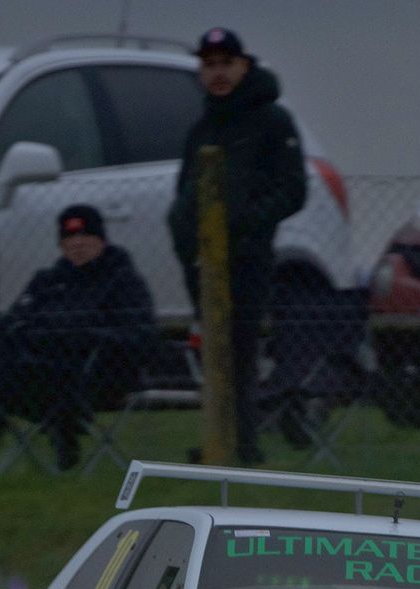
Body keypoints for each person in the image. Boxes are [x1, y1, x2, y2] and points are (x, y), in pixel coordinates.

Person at [167, 27, 308, 466]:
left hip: (247, 258)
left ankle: (243, 445)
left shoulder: (273, 121)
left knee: (240, 351)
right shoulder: (201, 128)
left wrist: (240, 226)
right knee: (213, 352)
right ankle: (217, 438)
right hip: (202, 264)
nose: (218, 73)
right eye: (209, 65)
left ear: (245, 66)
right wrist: (190, 240)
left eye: (226, 63)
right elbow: (184, 194)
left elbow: (292, 191)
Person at [0, 204, 157, 470]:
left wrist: (81, 334)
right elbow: (18, 319)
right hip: (36, 371)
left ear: (102, 240)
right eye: (69, 237)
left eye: (86, 236)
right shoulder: (47, 280)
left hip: (91, 377)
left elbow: (139, 335)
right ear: (61, 244)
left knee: (1, 364)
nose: (77, 243)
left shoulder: (123, 282)